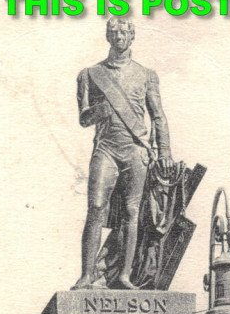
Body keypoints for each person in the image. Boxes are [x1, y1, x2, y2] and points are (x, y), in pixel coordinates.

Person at [73, 18, 174, 290]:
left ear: (132, 36)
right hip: (105, 148)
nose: (119, 37)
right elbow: (83, 119)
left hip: (135, 150)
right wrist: (99, 110)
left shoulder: (146, 75)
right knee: (95, 208)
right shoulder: (90, 74)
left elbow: (158, 117)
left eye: (124, 32)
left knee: (132, 212)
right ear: (107, 36)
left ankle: (124, 276)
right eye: (114, 32)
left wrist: (164, 151)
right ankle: (87, 274)